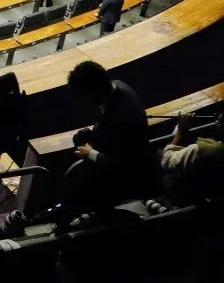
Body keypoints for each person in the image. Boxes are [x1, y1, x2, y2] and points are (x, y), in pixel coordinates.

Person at [66, 60, 157, 209]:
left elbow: (126, 165)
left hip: (128, 180)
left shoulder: (125, 116)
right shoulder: (116, 86)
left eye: (84, 95)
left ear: (93, 93)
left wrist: (92, 154)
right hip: (111, 151)